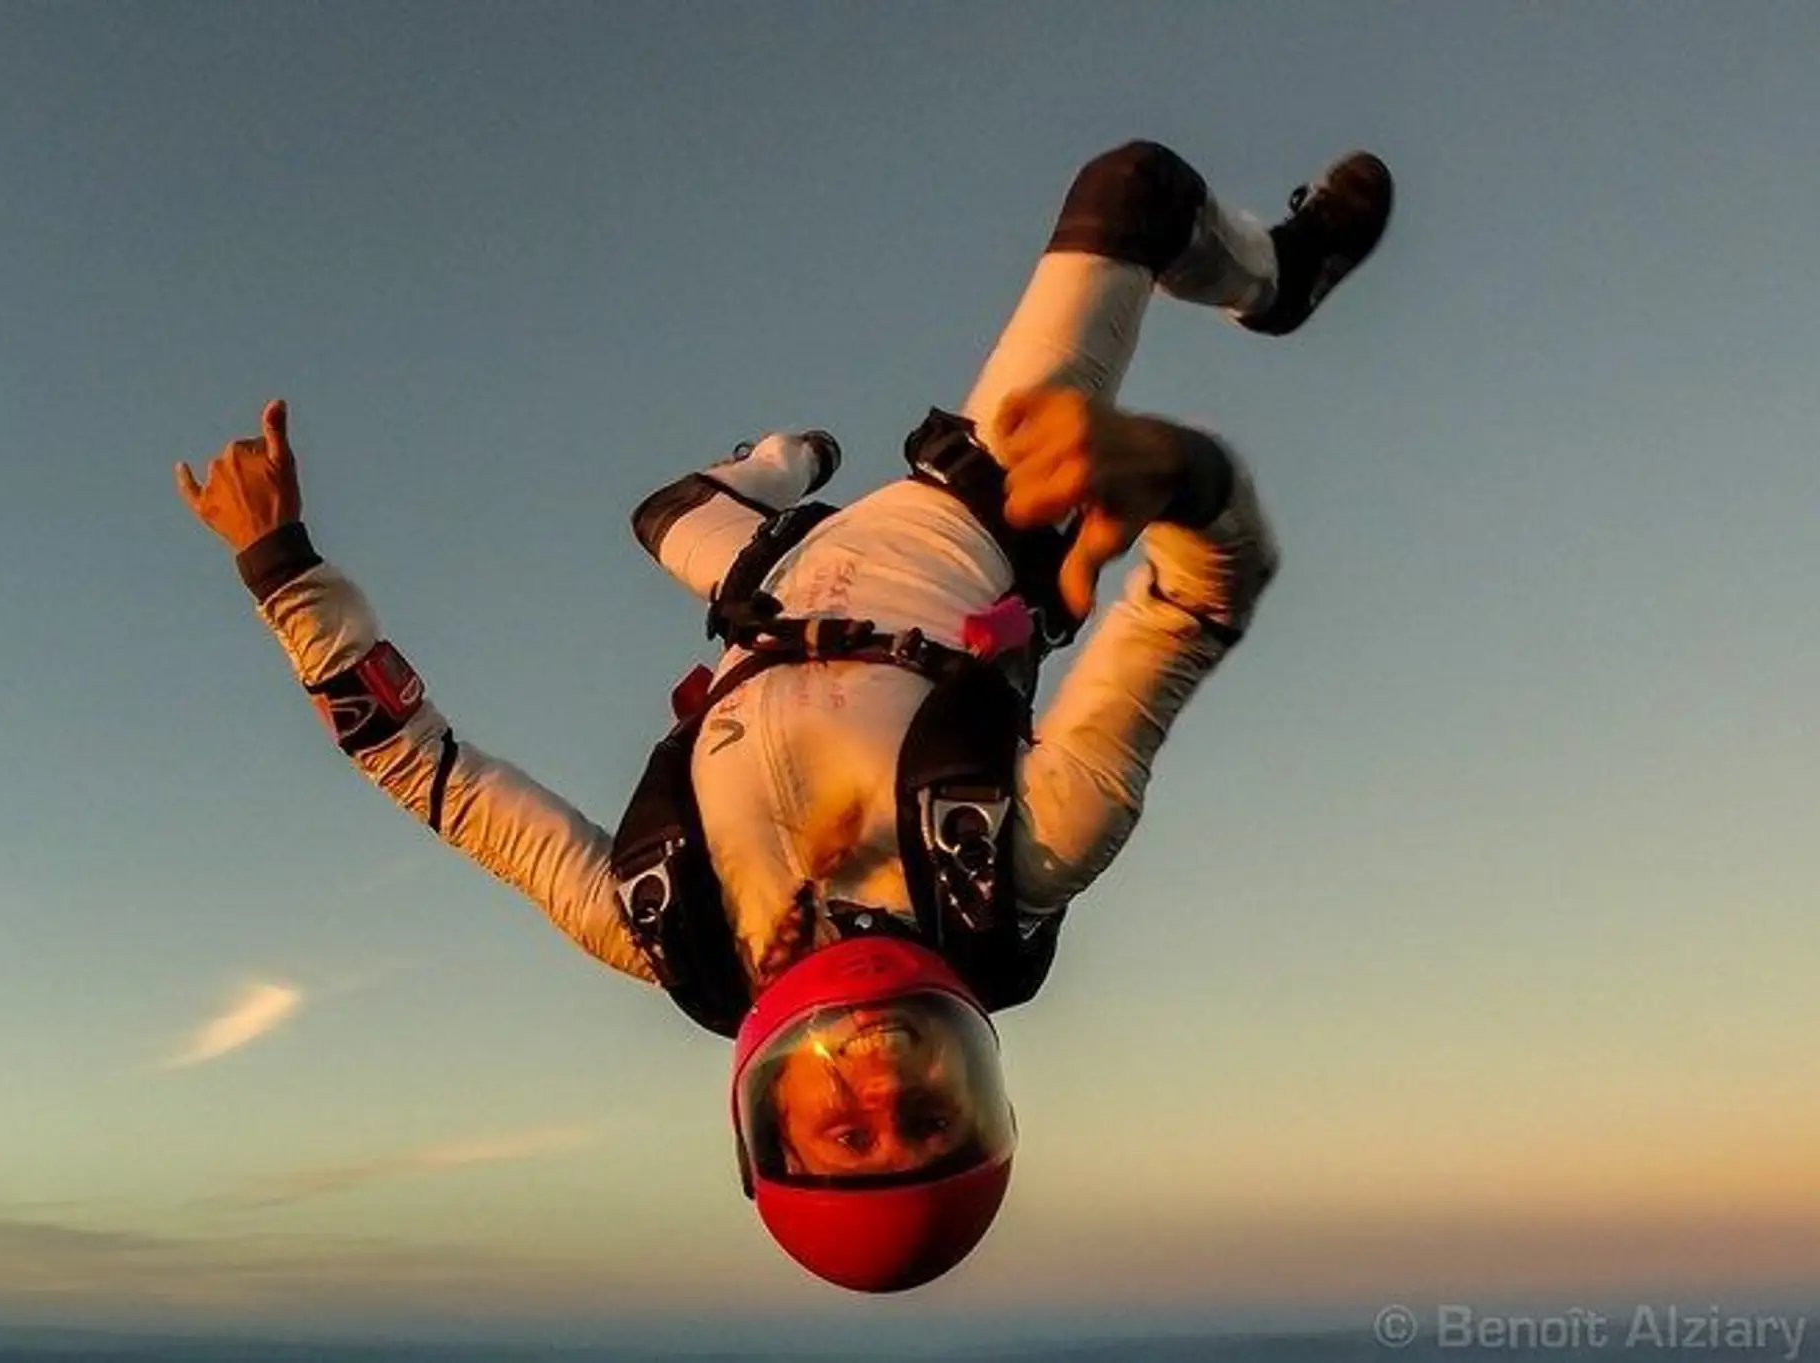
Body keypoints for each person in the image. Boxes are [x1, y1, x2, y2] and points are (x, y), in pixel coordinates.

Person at [177, 138, 1393, 1293]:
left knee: (661, 513)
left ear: (759, 1111)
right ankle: (1278, 280)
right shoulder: (1017, 860)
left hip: (763, 592)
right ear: (977, 1074)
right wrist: (1180, 477)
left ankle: (792, 457)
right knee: (1133, 189)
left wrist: (283, 572)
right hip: (979, 508)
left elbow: (429, 773)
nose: (870, 1074)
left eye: (838, 1123)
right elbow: (1199, 602)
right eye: (925, 1110)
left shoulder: (664, 923)